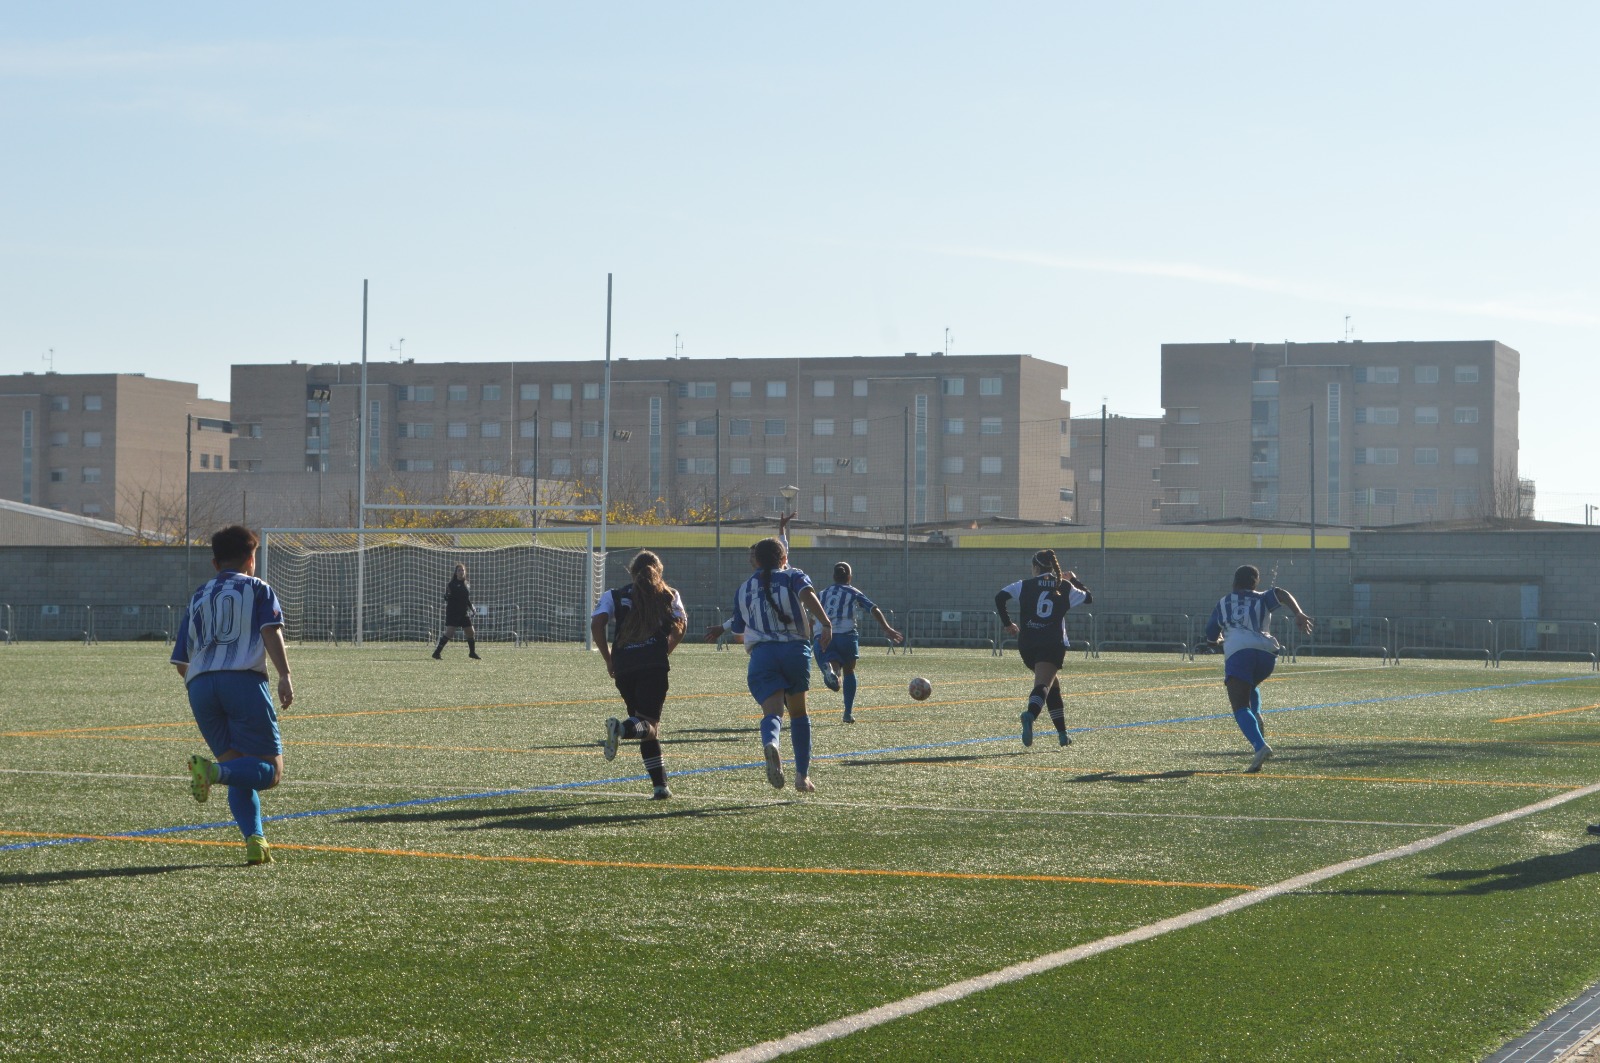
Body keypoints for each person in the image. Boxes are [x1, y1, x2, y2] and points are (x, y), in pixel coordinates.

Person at [171, 524, 295, 866]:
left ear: (215, 563)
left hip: (199, 686)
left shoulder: (198, 595)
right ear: (252, 560)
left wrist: (204, 684)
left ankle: (255, 840)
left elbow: (180, 661)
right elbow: (270, 632)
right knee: (271, 771)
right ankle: (211, 773)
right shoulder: (258, 588)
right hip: (242, 682)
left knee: (240, 766)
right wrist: (284, 675)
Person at [705, 535, 833, 793]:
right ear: (783, 558)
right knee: (799, 713)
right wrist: (825, 623)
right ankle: (802, 776)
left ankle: (772, 742)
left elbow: (739, 631)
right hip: (795, 650)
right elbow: (807, 594)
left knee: (772, 713)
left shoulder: (744, 589)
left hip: (763, 655)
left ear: (756, 561)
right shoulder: (793, 575)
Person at [591, 551, 687, 800]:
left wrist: (608, 658)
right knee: (649, 726)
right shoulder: (668, 594)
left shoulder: (614, 595)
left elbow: (597, 624)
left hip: (624, 664)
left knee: (643, 723)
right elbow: (681, 626)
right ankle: (621, 729)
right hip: (653, 664)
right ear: (659, 571)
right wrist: (666, 649)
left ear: (632, 572)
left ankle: (660, 786)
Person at [1202, 564, 1314, 773]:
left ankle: (1260, 746)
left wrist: (1213, 642)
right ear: (1255, 583)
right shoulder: (1262, 597)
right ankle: (1257, 713)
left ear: (1234, 582)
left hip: (1239, 650)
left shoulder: (1224, 602)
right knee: (1250, 684)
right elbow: (1281, 593)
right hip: (1267, 653)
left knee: (1239, 704)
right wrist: (1298, 613)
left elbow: (1211, 631)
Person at [996, 549, 1092, 749]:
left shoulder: (1024, 585)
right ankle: (1030, 715)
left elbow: (1000, 597)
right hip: (1051, 643)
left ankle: (1062, 734)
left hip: (1027, 644)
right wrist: (1074, 579)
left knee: (1052, 685)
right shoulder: (1064, 586)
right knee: (1043, 685)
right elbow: (1089, 597)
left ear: (1035, 567)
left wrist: (1008, 624)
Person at [815, 561, 904, 723]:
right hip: (846, 635)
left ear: (834, 576)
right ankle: (847, 713)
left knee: (834, 670)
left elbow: (812, 613)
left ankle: (831, 671)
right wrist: (887, 628)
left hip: (824, 634)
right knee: (849, 671)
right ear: (849, 577)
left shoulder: (822, 593)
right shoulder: (853, 592)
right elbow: (873, 608)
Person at [433, 563, 481, 660]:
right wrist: (446, 596)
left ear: (465, 572)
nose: (461, 572)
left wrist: (472, 607)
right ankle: (436, 653)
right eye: (459, 570)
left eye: (462, 570)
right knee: (449, 633)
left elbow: (466, 599)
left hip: (463, 613)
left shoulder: (467, 584)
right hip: (453, 612)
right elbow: (447, 596)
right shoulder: (452, 584)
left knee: (471, 632)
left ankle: (472, 653)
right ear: (456, 573)